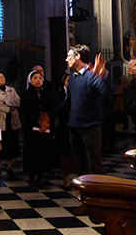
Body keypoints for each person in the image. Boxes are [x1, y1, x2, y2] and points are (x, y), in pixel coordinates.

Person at [41, 45, 108, 178]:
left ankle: (101, 195)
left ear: (77, 57)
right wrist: (49, 114)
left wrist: (101, 78)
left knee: (95, 164)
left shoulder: (92, 75)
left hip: (90, 127)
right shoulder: (72, 78)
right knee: (80, 165)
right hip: (74, 127)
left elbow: (104, 94)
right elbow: (68, 102)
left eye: (69, 56)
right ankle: (85, 193)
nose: (66, 60)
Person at [21, 70, 55, 190]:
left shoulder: (46, 93)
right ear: (30, 80)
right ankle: (31, 179)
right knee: (32, 155)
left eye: (40, 78)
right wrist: (38, 122)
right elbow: (26, 111)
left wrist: (46, 123)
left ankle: (40, 179)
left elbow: (51, 109)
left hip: (45, 129)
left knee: (43, 154)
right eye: (35, 78)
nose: (38, 80)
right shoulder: (26, 94)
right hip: (32, 129)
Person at [0, 72, 21, 180]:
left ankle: (9, 167)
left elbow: (17, 101)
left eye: (3, 76)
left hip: (11, 121)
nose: (2, 78)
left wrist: (5, 102)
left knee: (11, 144)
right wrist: (8, 108)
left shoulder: (11, 89)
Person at [56, 73, 77, 188]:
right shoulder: (59, 95)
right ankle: (65, 178)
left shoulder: (78, 93)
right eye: (68, 81)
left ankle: (76, 178)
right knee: (64, 153)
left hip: (76, 125)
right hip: (64, 126)